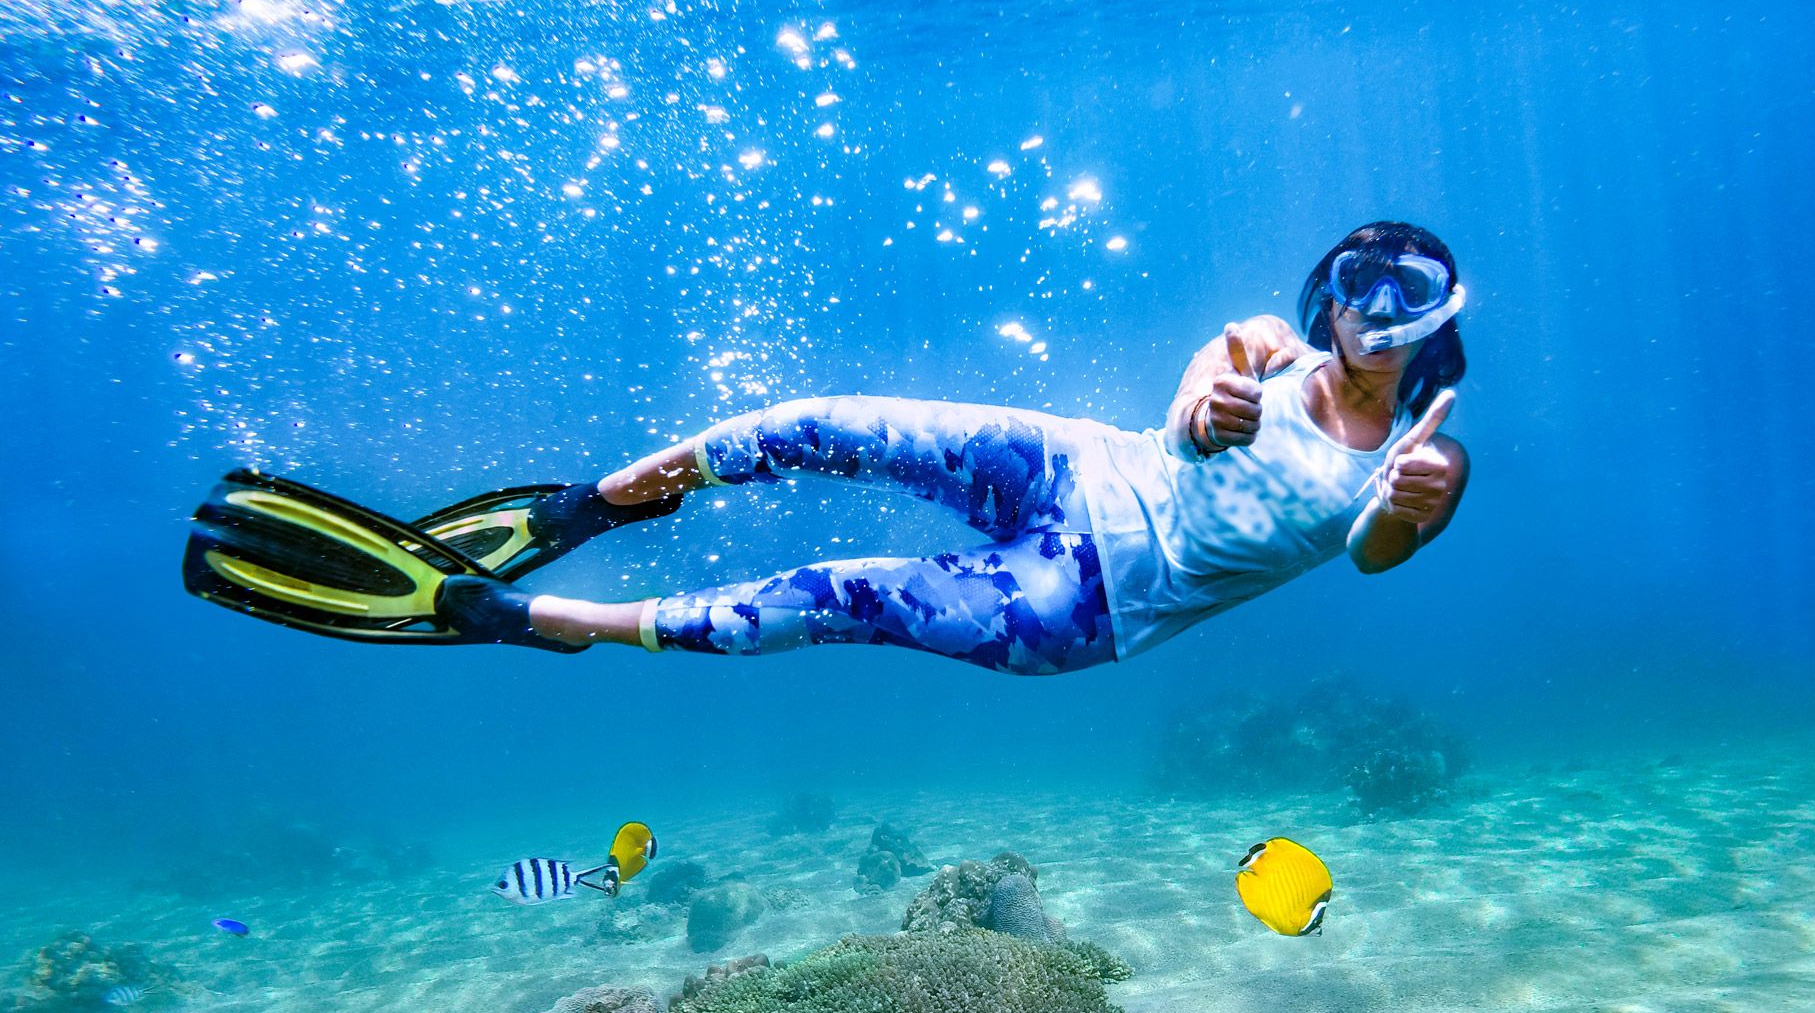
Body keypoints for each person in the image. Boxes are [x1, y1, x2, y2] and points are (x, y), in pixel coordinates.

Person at [184, 222, 1470, 673]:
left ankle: (547, 618)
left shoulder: (1424, 461)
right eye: (1354, 283)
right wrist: (1210, 416)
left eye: (1401, 297)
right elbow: (1192, 419)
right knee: (823, 420)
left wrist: (1413, 502)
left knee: (831, 597)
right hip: (1081, 468)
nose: (1367, 313)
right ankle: (600, 501)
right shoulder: (1263, 343)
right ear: (1325, 289)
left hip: (1091, 602)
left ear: (1436, 323)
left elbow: (1374, 559)